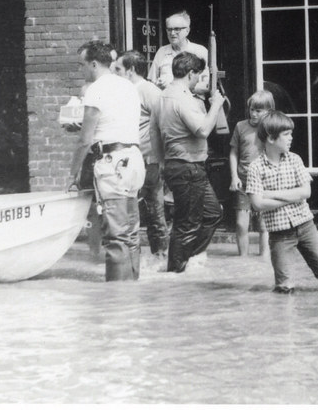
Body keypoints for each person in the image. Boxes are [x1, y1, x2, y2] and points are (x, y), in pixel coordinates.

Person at [68, 40, 146, 281]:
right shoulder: (128, 86)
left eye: (82, 65)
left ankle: (116, 299)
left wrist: (73, 173)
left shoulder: (96, 89)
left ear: (93, 64)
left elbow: (85, 139)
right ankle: (132, 290)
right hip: (133, 158)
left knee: (115, 236)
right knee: (130, 233)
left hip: (113, 163)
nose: (81, 70)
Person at [247, 110, 318, 294]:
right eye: (286, 134)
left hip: (306, 227)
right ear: (271, 138)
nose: (291, 138)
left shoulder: (295, 159)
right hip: (279, 234)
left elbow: (306, 192)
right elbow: (257, 204)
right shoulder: (255, 168)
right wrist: (292, 197)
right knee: (284, 288)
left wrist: (271, 194)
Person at [150, 51, 227, 273]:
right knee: (187, 224)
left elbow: (154, 133)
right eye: (198, 76)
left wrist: (162, 163)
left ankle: (184, 258)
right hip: (188, 166)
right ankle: (175, 270)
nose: (199, 81)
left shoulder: (162, 96)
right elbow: (203, 130)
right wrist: (216, 105)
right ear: (190, 73)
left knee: (213, 214)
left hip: (180, 165)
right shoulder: (182, 98)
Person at [114, 49, 169, 259]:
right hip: (129, 158)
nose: (115, 72)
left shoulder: (148, 90)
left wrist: (161, 158)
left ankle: (161, 257)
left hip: (148, 158)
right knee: (132, 208)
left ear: (131, 70)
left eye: (119, 69)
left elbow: (163, 123)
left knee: (154, 208)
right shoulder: (124, 90)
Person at [229, 90, 274, 257]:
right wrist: (234, 176)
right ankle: (243, 261)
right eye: (252, 109)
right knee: (241, 224)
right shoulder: (241, 126)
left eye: (259, 110)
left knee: (264, 225)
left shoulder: (270, 129)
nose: (253, 114)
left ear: (269, 111)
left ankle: (264, 259)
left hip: (264, 181)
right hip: (243, 180)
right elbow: (234, 153)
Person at [148, 10, 209, 93]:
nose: (172, 33)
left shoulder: (200, 51)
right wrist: (158, 85)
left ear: (187, 30)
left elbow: (208, 85)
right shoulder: (161, 52)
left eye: (177, 29)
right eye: (169, 29)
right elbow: (151, 82)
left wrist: (174, 88)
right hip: (167, 102)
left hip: (193, 102)